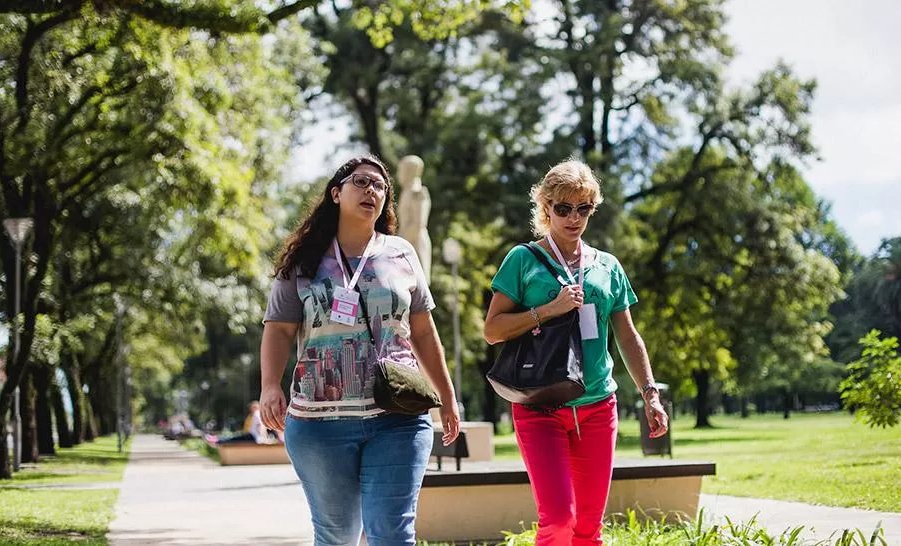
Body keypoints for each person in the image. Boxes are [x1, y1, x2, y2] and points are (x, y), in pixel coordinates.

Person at [259, 155, 460, 546]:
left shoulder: (401, 253)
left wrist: (447, 397)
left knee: (393, 534)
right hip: (319, 424)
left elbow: (423, 330)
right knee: (337, 536)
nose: (373, 190)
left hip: (398, 415)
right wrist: (270, 385)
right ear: (336, 193)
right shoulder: (303, 262)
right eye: (362, 182)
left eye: (381, 186)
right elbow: (279, 330)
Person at [483, 159, 669, 546]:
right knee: (557, 520)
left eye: (583, 209)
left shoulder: (607, 266)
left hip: (599, 405)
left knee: (588, 529)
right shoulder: (523, 260)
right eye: (563, 208)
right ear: (546, 207)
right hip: (539, 405)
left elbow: (628, 336)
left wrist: (650, 394)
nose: (573, 218)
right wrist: (549, 310)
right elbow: (492, 330)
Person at [396, 155, 432, 283]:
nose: (399, 174)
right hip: (405, 243)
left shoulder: (418, 192)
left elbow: (418, 224)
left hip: (414, 244)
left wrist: (401, 244)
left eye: (401, 170)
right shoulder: (405, 193)